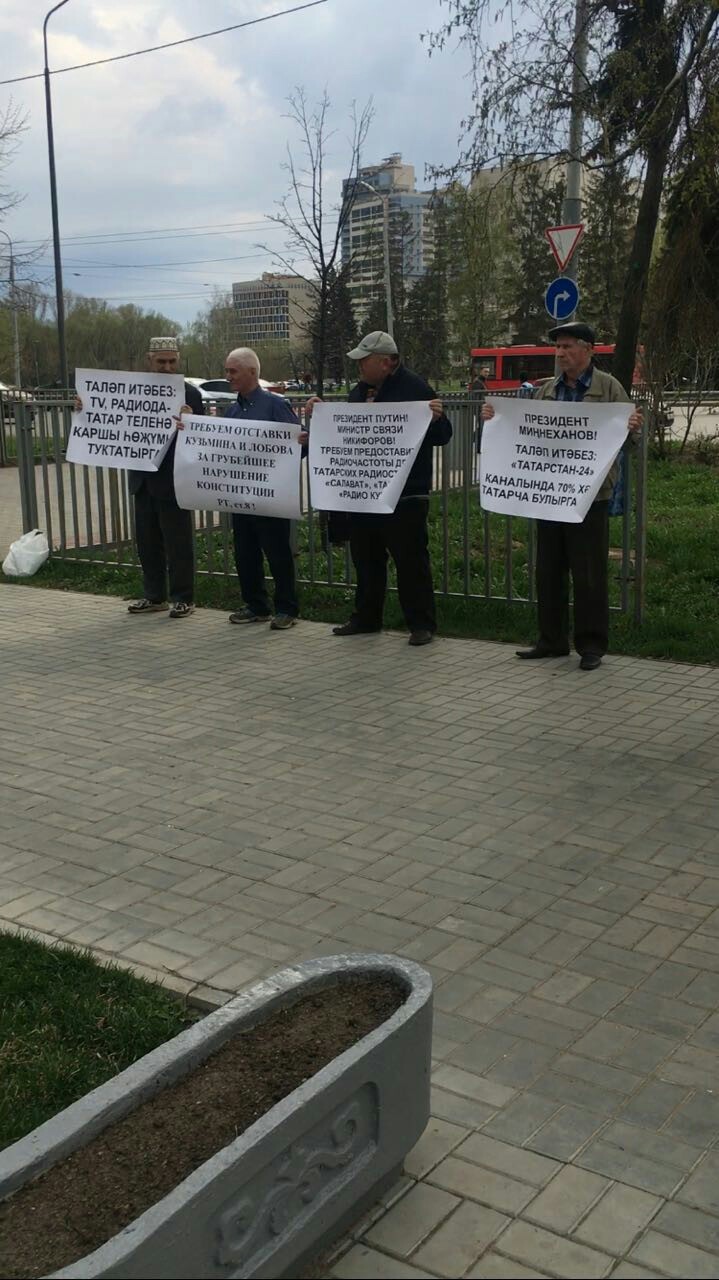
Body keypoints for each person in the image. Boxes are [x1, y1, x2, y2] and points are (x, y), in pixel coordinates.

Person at [481, 322, 643, 671]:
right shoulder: (547, 391)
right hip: (550, 495)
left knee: (589, 572)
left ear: (588, 350)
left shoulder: (608, 388)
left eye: (568, 346)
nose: (560, 353)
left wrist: (631, 429)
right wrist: (496, 420)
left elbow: (627, 442)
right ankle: (551, 640)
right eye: (558, 347)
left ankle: (591, 645)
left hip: (590, 496)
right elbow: (527, 431)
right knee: (549, 571)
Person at [307, 330, 452, 647]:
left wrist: (437, 419)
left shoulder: (415, 388)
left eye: (364, 360)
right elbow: (344, 437)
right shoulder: (359, 393)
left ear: (386, 363)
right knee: (366, 559)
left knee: (411, 562)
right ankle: (366, 618)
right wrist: (318, 422)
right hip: (365, 495)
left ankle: (421, 624)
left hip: (406, 495)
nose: (359, 366)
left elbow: (443, 435)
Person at [224, 347, 306, 631]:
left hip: (270, 496)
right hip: (241, 496)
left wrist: (299, 444)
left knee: (278, 553)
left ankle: (286, 608)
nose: (228, 376)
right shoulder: (232, 410)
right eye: (227, 371)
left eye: (233, 371)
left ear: (252, 372)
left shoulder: (275, 405)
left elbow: (298, 447)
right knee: (245, 554)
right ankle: (256, 605)